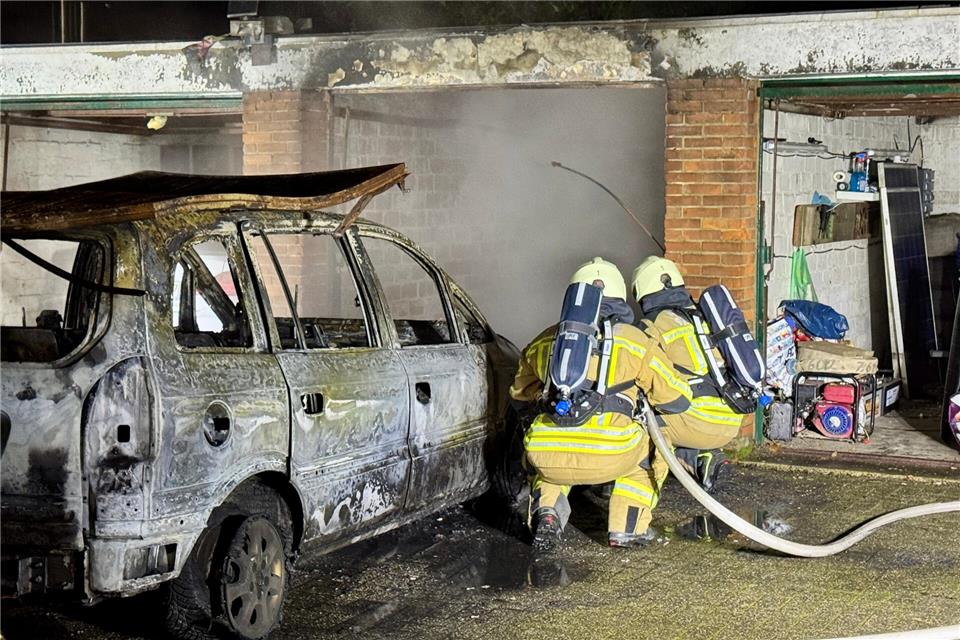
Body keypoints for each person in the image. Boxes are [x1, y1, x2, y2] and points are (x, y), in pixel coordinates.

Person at [510, 257, 692, 551]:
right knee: (655, 450)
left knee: (547, 461)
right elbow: (677, 397)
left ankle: (547, 513)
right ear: (620, 296)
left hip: (547, 453)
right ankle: (626, 528)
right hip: (611, 453)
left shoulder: (544, 340)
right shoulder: (634, 341)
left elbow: (519, 394)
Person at [630, 256, 744, 501]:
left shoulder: (650, 325)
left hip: (695, 421)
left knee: (632, 416)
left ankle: (638, 484)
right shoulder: (704, 317)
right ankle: (701, 458)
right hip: (732, 416)